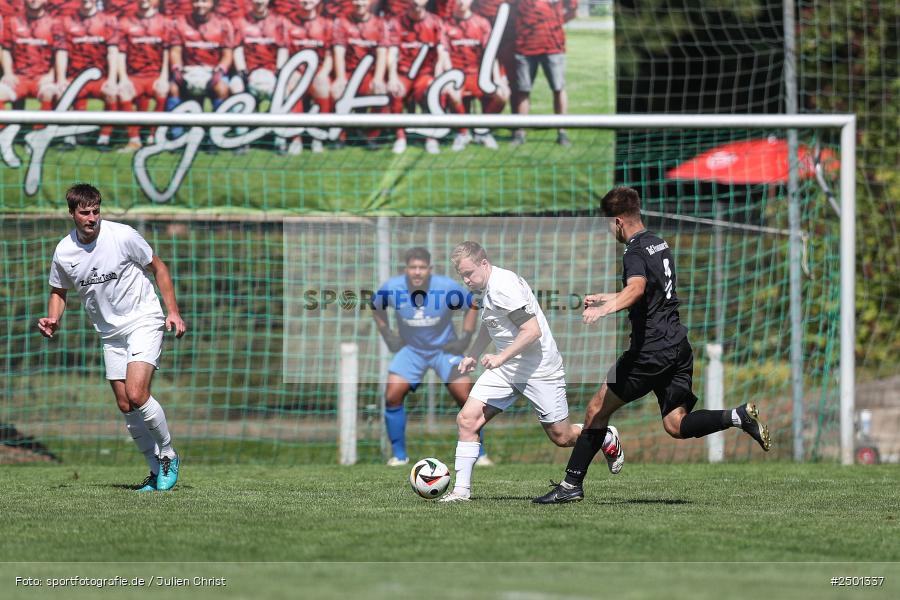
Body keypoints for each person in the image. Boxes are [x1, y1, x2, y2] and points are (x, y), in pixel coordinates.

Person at [533, 187, 771, 504]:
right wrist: (608, 297)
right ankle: (738, 416)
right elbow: (650, 292)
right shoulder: (658, 242)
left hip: (651, 352)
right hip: (677, 345)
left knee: (596, 410)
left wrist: (605, 309)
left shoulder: (632, 251)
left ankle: (570, 485)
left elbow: (636, 288)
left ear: (618, 221)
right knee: (676, 424)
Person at [38, 184, 187, 492]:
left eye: (96, 211)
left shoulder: (122, 236)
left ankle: (169, 455)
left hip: (143, 318)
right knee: (125, 404)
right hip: (110, 332)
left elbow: (158, 268)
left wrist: (172, 311)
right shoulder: (64, 251)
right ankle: (155, 470)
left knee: (136, 393)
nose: (92, 218)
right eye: (85, 213)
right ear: (72, 213)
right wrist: (54, 318)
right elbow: (58, 291)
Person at [440, 241, 582, 502]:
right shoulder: (484, 287)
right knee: (467, 419)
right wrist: (473, 354)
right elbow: (491, 323)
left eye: (469, 273)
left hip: (538, 368)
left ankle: (602, 435)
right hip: (506, 369)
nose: (466, 280)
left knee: (562, 437)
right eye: (462, 275)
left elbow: (532, 331)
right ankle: (461, 491)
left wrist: (500, 356)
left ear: (484, 263)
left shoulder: (503, 287)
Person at [372, 247, 492, 466]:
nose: (417, 272)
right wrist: (387, 334)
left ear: (430, 269)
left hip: (443, 350)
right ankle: (399, 456)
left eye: (422, 267)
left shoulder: (446, 287)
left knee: (467, 396)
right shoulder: (393, 287)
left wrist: (465, 337)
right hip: (412, 350)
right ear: (406, 269)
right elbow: (375, 305)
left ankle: (480, 453)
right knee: (392, 395)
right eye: (413, 267)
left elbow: (473, 305)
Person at [385, 0, 450, 155]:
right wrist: (392, 77)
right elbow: (392, 52)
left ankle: (431, 137)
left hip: (425, 73)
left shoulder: (435, 21)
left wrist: (439, 75)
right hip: (404, 72)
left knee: (434, 91)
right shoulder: (397, 22)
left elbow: (441, 51)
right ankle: (400, 137)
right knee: (396, 91)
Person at [510, 0, 577, 147]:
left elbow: (573, 11)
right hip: (525, 47)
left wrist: (555, 23)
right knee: (523, 91)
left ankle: (562, 132)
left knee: (558, 89)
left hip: (553, 47)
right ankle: (520, 133)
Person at [444, 0, 508, 151]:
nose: (461, 2)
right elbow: (444, 55)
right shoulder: (446, 25)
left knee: (502, 95)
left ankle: (483, 131)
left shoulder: (482, 23)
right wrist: (449, 78)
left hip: (478, 75)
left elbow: (490, 53)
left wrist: (497, 79)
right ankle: (463, 133)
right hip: (458, 75)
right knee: (452, 93)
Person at [116, 0, 172, 152]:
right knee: (124, 91)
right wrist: (123, 78)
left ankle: (153, 137)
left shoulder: (165, 22)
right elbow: (121, 53)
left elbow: (166, 52)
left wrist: (164, 77)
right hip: (135, 77)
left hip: (155, 76)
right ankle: (134, 140)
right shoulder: (125, 22)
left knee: (163, 90)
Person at [168, 0, 236, 121]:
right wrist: (177, 68)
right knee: (173, 89)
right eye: (196, 1)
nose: (200, 5)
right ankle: (175, 129)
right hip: (188, 70)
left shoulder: (223, 23)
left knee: (222, 89)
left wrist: (220, 70)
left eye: (204, 1)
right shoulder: (180, 22)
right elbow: (175, 51)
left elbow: (227, 53)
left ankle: (218, 128)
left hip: (212, 71)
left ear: (212, 3)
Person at [0, 0, 59, 115]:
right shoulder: (12, 21)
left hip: (43, 78)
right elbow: (6, 49)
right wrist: (8, 73)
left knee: (50, 93)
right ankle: (8, 127)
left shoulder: (54, 23)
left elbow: (60, 52)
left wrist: (52, 75)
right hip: (19, 78)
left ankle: (42, 127)